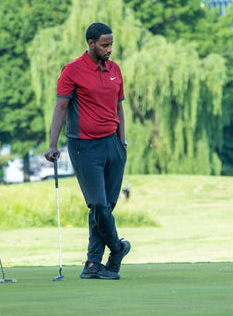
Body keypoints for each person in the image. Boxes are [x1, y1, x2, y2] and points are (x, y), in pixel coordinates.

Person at [44, 22, 130, 280]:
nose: (109, 49)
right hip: (84, 146)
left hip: (113, 145)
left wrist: (122, 142)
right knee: (99, 205)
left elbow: (119, 107)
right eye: (105, 45)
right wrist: (52, 144)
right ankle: (117, 250)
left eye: (111, 44)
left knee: (107, 206)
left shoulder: (115, 70)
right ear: (90, 43)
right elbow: (60, 109)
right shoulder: (72, 71)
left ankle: (93, 264)